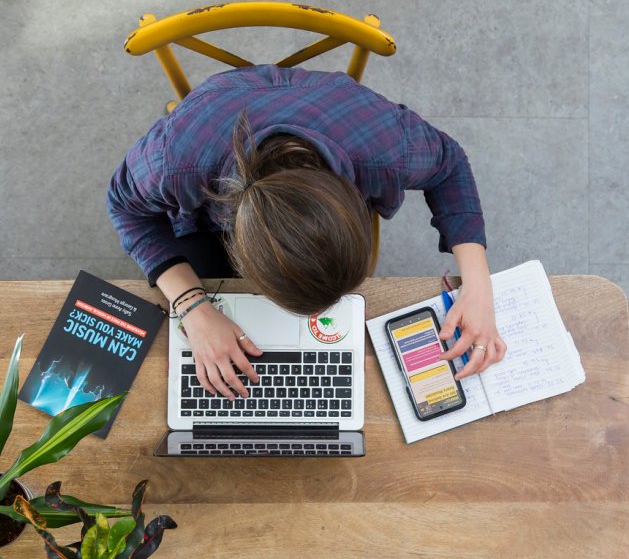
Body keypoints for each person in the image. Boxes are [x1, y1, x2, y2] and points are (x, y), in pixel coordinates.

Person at [107, 64, 506, 400]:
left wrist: (478, 284)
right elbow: (123, 206)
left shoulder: (386, 147)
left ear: (352, 200)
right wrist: (192, 306)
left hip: (339, 117)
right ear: (238, 248)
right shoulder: (175, 163)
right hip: (214, 126)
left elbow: (449, 163)